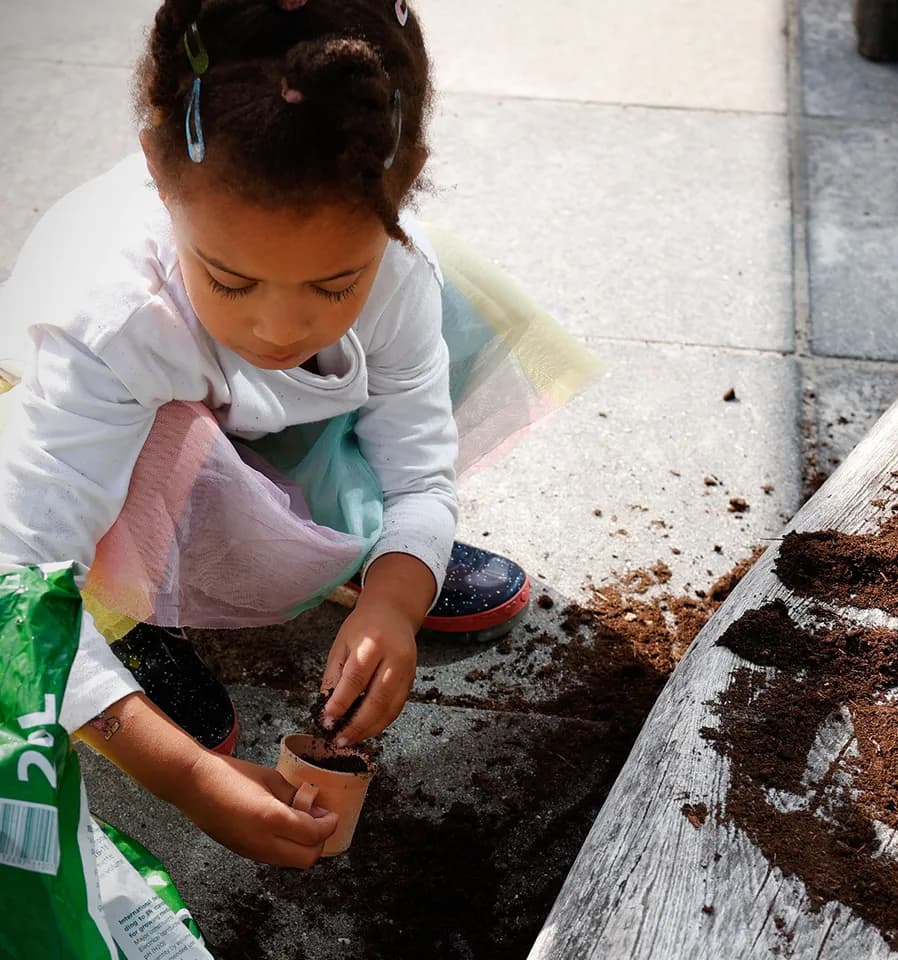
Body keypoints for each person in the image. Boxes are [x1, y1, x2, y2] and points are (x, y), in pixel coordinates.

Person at [0, 0, 589, 867]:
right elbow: (16, 581)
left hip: (253, 417)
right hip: (126, 436)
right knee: (162, 454)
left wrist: (397, 593)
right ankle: (134, 622)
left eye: (334, 281)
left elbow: (420, 464)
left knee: (440, 304)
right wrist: (184, 775)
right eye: (232, 281)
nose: (282, 326)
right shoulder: (112, 321)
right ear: (161, 176)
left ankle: (358, 555)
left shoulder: (394, 264)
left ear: (403, 178)